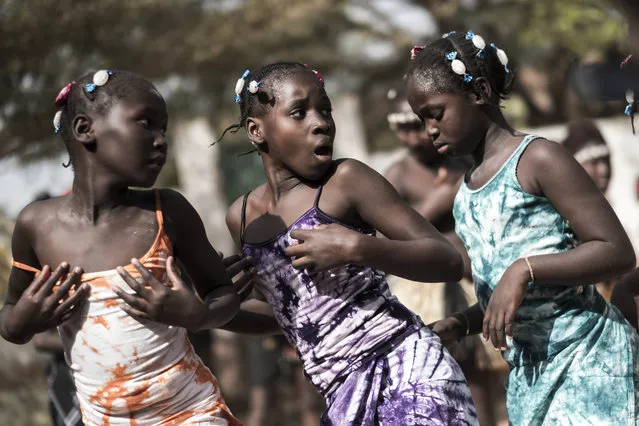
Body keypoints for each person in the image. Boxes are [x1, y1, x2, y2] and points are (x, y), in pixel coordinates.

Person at [220, 62, 478, 425]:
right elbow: (284, 316)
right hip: (343, 398)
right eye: (299, 112)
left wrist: (355, 248)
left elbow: (445, 259)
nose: (321, 121)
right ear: (256, 130)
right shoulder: (244, 217)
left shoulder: (346, 181)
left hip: (409, 372)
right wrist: (207, 311)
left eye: (325, 109)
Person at [407, 30, 639, 425]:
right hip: (530, 379)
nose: (429, 129)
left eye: (436, 112)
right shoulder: (466, 194)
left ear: (479, 92)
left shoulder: (538, 159)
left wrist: (525, 268)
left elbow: (616, 251)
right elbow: (510, 298)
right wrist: (464, 322)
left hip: (588, 365)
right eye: (421, 119)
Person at [0, 69, 242, 425]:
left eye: (164, 129)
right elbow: (9, 319)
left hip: (190, 412)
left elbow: (223, 292)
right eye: (146, 123)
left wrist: (200, 316)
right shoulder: (37, 226)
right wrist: (25, 320)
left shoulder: (166, 212)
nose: (161, 140)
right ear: (85, 129)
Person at [384, 85, 507, 426]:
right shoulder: (398, 175)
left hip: (472, 285)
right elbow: (384, 235)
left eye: (416, 125)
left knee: (480, 378)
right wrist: (432, 204)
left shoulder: (462, 160)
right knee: (439, 382)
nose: (412, 136)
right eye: (402, 128)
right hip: (421, 294)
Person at [561, 119, 620, 300]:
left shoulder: (605, 210)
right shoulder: (562, 215)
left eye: (606, 160)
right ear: (575, 165)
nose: (604, 169)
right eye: (594, 162)